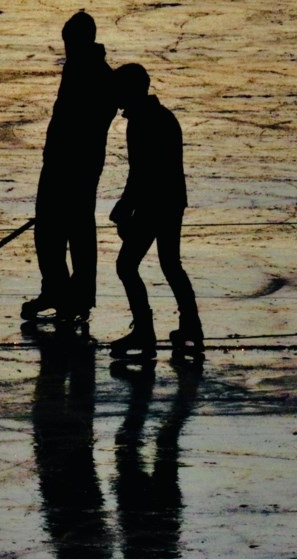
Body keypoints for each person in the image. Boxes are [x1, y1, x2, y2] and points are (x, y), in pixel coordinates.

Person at [21, 11, 116, 324]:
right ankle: (59, 291)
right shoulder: (79, 67)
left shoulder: (96, 73)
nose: (66, 48)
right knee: (51, 230)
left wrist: (66, 155)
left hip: (75, 166)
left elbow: (87, 123)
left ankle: (73, 295)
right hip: (63, 162)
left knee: (74, 231)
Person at [109, 63, 202, 359]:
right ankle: (190, 325)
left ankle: (145, 332)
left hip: (155, 203)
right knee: (170, 264)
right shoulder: (161, 117)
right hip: (171, 201)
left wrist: (126, 207)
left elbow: (142, 172)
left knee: (127, 265)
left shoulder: (142, 122)